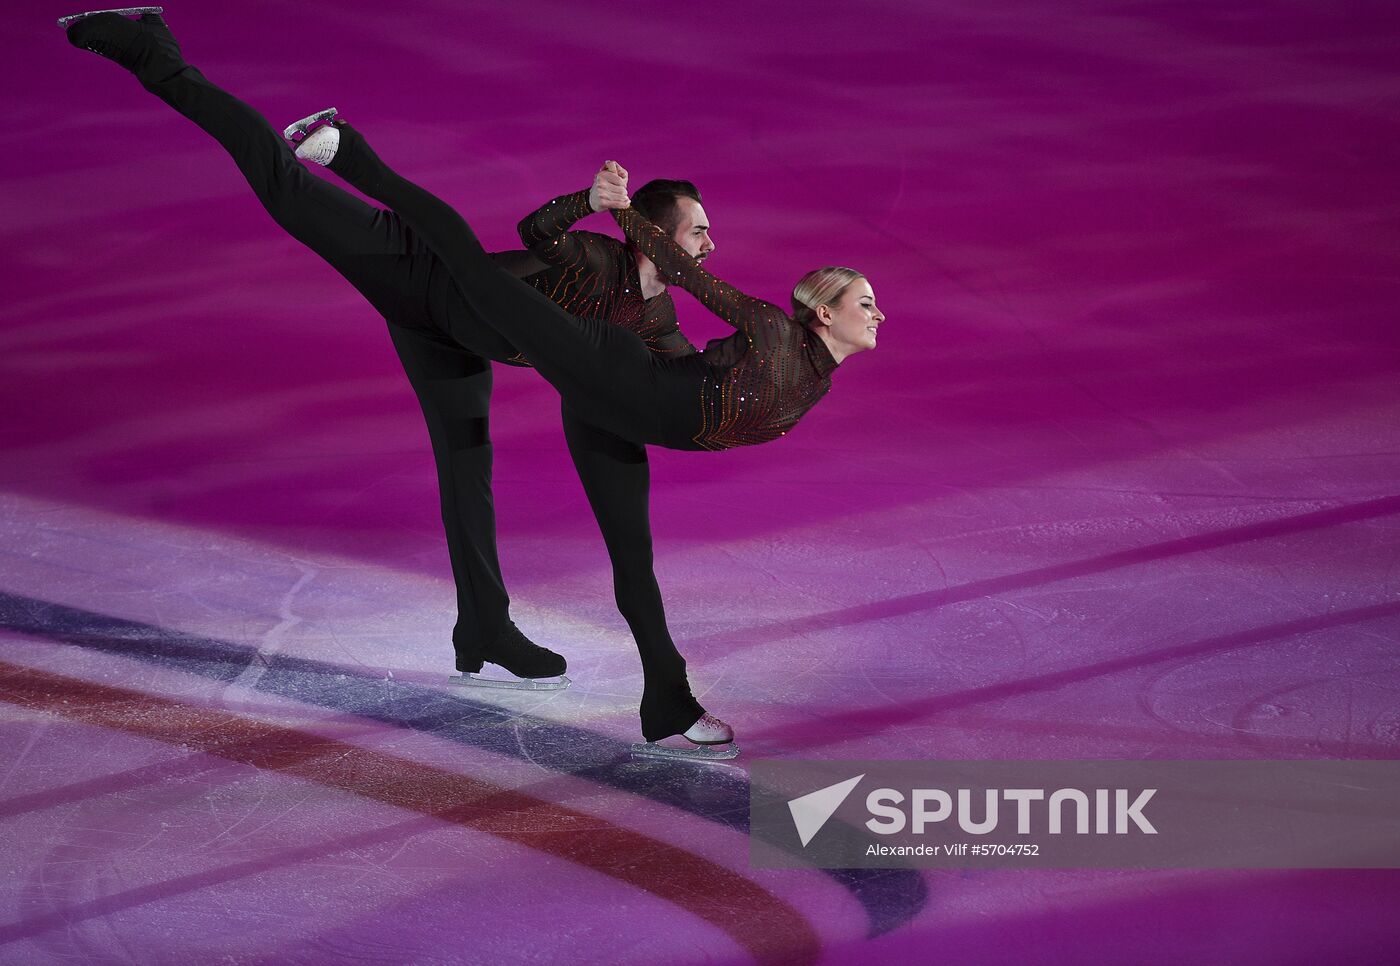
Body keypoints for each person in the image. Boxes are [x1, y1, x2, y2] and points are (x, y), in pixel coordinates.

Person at [60, 9, 736, 755]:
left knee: (468, 464)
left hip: (447, 335)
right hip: (414, 272)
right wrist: (590, 200)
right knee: (283, 182)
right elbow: (536, 230)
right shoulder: (592, 260)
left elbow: (683, 380)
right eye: (698, 229)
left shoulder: (658, 318)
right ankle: (152, 49)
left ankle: (484, 627)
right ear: (653, 234)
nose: (711, 243)